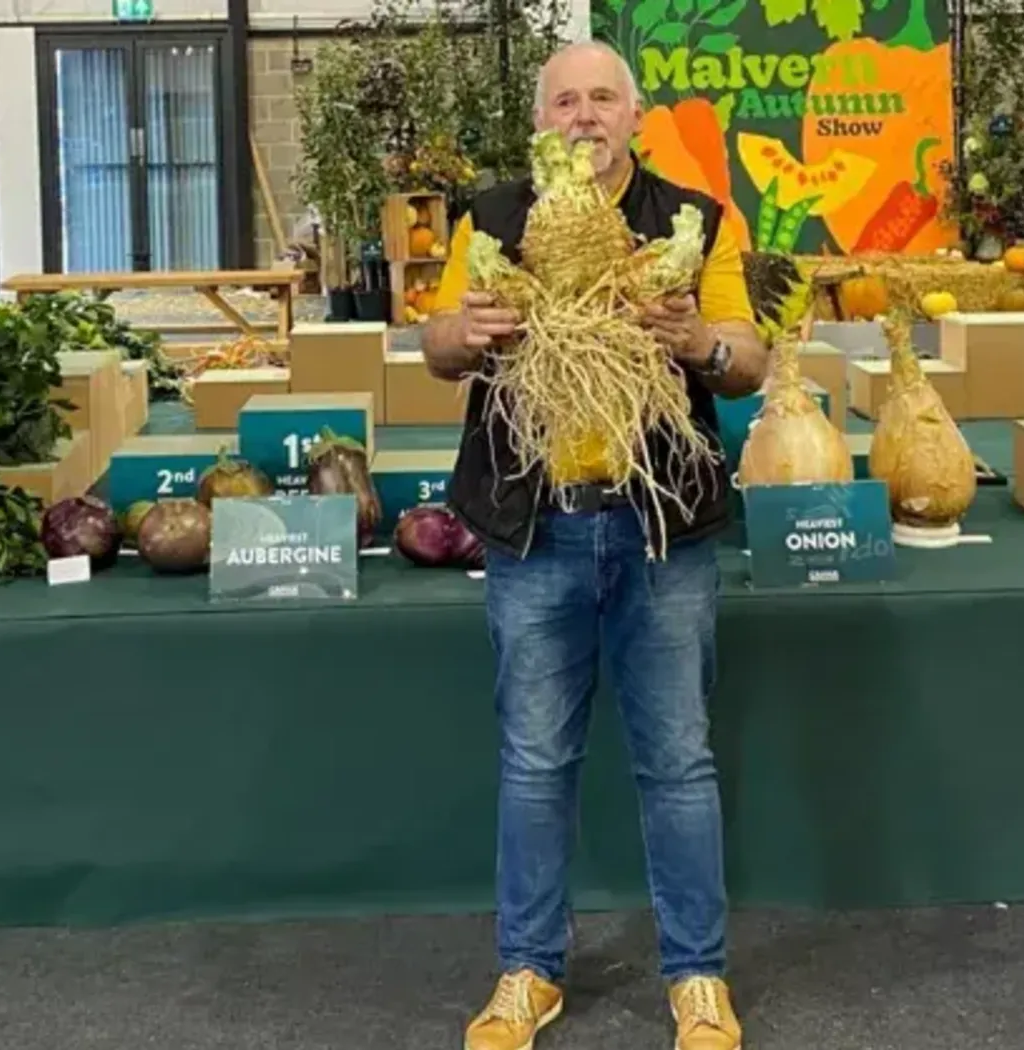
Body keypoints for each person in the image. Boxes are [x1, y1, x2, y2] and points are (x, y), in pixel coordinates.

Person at [421, 39, 768, 1050]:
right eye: (565, 100)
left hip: (661, 529)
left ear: (635, 115)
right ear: (544, 121)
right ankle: (528, 970)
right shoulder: (492, 219)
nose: (584, 115)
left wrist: (693, 338)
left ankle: (697, 976)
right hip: (537, 529)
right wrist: (469, 330)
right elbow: (436, 346)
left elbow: (746, 357)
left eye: (602, 97)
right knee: (535, 760)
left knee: (679, 762)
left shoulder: (692, 221)